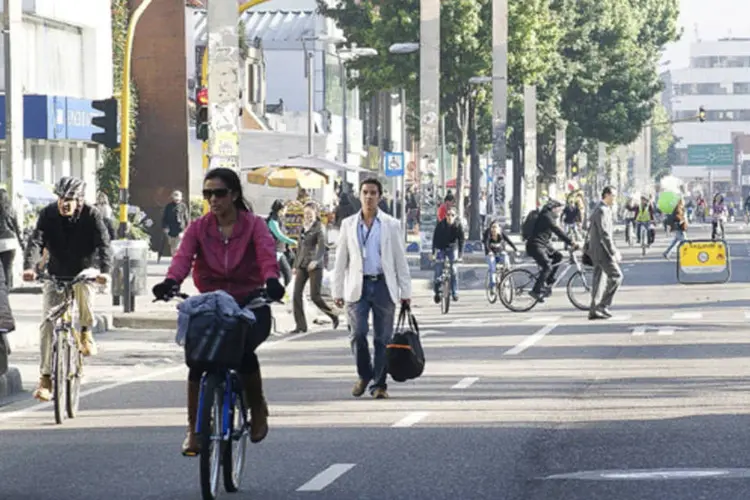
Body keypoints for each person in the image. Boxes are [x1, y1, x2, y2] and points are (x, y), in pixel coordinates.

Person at [152, 168, 284, 455]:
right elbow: (182, 258)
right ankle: (193, 429)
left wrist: (272, 282)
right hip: (212, 302)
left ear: (234, 194)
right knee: (197, 361)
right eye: (208, 193)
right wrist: (170, 282)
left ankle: (257, 407)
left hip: (250, 302)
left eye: (220, 193)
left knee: (244, 351)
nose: (213, 199)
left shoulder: (254, 226)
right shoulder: (199, 227)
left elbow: (265, 255)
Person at [22, 176, 112, 401]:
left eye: (70, 199)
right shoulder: (48, 214)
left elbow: (103, 244)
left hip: (84, 271)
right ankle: (45, 378)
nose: (65, 203)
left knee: (84, 293)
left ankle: (85, 332)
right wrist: (30, 267)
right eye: (62, 198)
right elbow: (36, 241)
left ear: (80, 200)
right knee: (47, 323)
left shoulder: (92, 215)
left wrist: (104, 271)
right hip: (56, 273)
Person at [333, 178, 411, 400]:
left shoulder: (391, 225)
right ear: (359, 195)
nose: (369, 197)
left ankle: (379, 384)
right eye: (365, 192)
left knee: (382, 339)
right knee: (357, 334)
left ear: (380, 196)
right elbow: (340, 261)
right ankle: (364, 374)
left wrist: (405, 293)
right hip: (357, 287)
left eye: (373, 193)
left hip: (384, 285)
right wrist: (337, 291)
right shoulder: (348, 224)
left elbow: (400, 261)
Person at [291, 201, 339, 333]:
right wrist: (295, 265)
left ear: (315, 214)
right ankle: (300, 326)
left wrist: (316, 261)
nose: (307, 216)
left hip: (314, 265)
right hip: (302, 264)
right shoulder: (302, 228)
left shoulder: (319, 227)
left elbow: (322, 247)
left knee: (315, 296)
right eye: (305, 214)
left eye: (310, 214)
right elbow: (299, 248)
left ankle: (333, 315)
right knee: (296, 295)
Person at [526, 199, 577, 302]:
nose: (560, 212)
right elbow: (557, 231)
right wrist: (571, 242)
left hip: (543, 245)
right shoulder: (547, 216)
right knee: (547, 266)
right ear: (554, 208)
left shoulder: (549, 216)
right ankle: (536, 290)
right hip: (535, 246)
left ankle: (548, 279)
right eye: (559, 210)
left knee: (558, 256)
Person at [585, 186, 622, 320]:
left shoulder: (603, 209)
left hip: (598, 250)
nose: (614, 198)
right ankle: (603, 305)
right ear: (606, 195)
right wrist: (613, 252)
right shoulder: (602, 210)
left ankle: (594, 310)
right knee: (617, 276)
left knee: (599, 280)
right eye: (613, 195)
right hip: (602, 251)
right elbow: (604, 233)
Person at [431, 207, 465, 302]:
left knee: (453, 270)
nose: (450, 217)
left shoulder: (458, 226)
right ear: (445, 216)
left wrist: (460, 255)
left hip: (452, 248)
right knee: (438, 269)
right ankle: (437, 292)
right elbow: (435, 239)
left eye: (452, 215)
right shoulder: (440, 225)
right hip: (441, 248)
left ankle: (454, 292)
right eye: (448, 215)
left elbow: (461, 241)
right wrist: (434, 253)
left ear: (455, 217)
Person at [266, 199, 296, 286]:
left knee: (287, 273)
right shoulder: (272, 220)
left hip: (280, 251)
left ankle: (286, 293)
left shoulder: (279, 219)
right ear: (280, 209)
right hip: (273, 251)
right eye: (285, 209)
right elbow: (279, 235)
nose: (286, 211)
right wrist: (292, 241)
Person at [483, 219, 518, 288]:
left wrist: (515, 249)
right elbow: (486, 244)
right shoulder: (488, 233)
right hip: (491, 254)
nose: (494, 230)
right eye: (492, 227)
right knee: (492, 268)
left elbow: (508, 241)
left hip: (500, 252)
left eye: (496, 227)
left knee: (505, 258)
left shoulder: (501, 233)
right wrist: (489, 251)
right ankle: (492, 285)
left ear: (499, 228)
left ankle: (505, 279)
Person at [0, 189, 24, 289]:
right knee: (8, 267)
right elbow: (17, 228)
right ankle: (8, 288)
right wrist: (21, 243)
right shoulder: (11, 209)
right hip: (10, 242)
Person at [161, 190, 190, 256]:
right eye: (175, 196)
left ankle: (177, 260)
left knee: (177, 246)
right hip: (171, 230)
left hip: (180, 230)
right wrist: (165, 227)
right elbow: (165, 218)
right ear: (172, 197)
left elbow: (187, 218)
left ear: (181, 197)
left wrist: (186, 230)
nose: (177, 198)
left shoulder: (183, 206)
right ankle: (175, 259)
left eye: (178, 196)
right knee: (173, 246)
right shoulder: (168, 206)